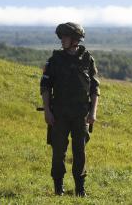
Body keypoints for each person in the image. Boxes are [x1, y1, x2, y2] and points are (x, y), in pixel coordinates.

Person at [40, 22, 100, 197]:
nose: (62, 40)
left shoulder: (87, 59)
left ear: (75, 39)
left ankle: (80, 190)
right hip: (59, 114)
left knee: (79, 152)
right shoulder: (54, 60)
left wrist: (93, 112)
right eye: (62, 37)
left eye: (65, 37)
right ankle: (58, 188)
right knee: (58, 151)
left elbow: (95, 89)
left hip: (80, 114)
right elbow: (45, 86)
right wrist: (47, 111)